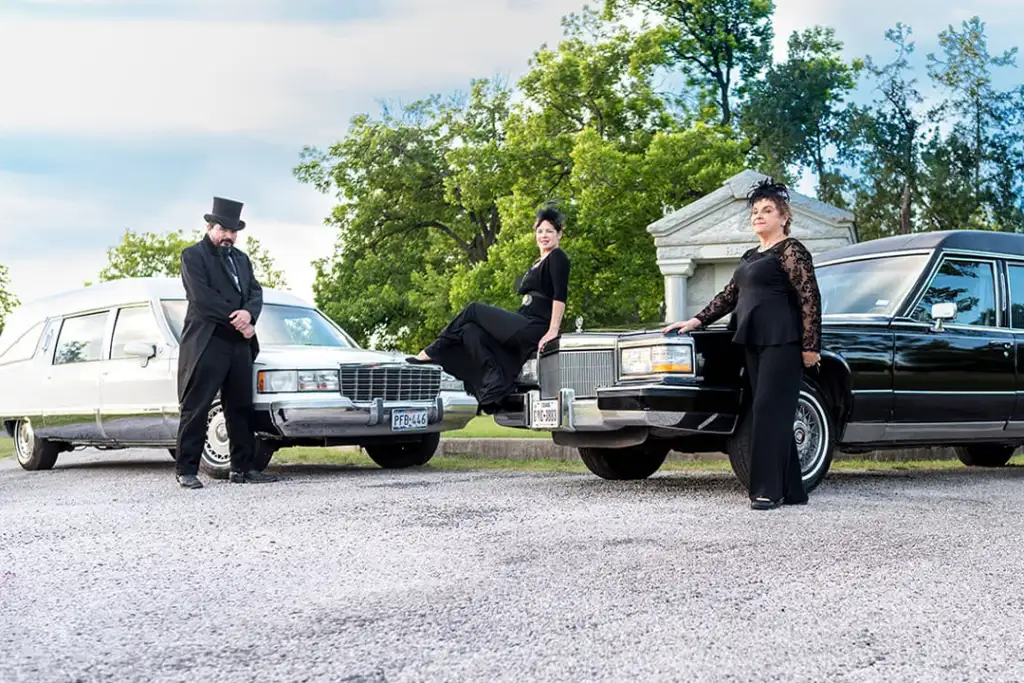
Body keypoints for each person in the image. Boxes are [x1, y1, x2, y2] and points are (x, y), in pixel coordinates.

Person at [663, 178, 822, 510]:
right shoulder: (751, 255)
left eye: (767, 210)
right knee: (769, 411)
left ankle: (766, 490)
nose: (759, 216)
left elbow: (809, 299)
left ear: (784, 217)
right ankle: (793, 489)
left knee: (768, 412)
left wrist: (811, 346)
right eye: (755, 212)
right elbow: (729, 296)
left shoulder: (792, 250)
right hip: (753, 342)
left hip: (784, 342)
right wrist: (696, 320)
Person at [408, 206, 571, 413]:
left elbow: (560, 295)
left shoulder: (558, 257)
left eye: (549, 231)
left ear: (559, 234)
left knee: (473, 309)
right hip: (524, 318)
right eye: (540, 231)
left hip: (535, 326)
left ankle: (434, 349)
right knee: (470, 331)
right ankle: (493, 382)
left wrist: (553, 330)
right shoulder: (538, 262)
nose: (544, 236)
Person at [173, 197, 277, 488]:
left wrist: (249, 314)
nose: (228, 236)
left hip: (239, 345)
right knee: (198, 406)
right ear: (210, 227)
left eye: (234, 231)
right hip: (208, 341)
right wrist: (239, 320)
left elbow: (255, 293)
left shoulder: (242, 259)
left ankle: (242, 469)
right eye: (223, 229)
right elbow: (202, 299)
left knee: (240, 407)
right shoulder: (192, 256)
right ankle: (187, 470)